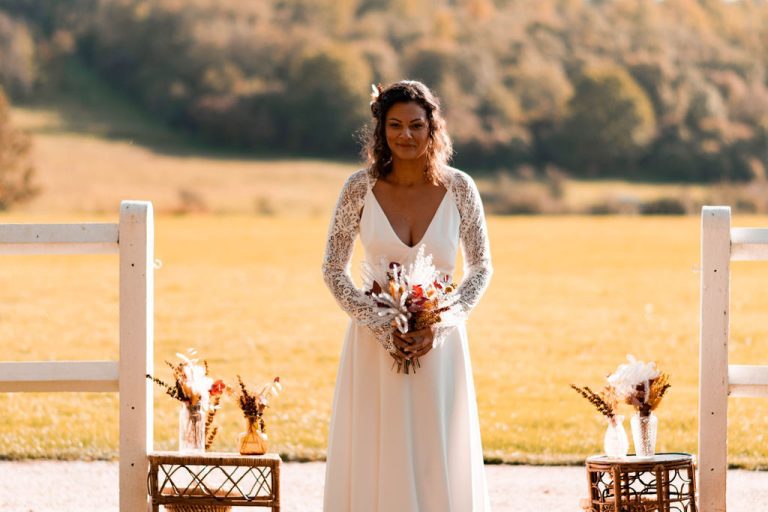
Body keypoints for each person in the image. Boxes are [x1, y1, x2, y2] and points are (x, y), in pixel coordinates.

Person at [321, 80, 493, 511]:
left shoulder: (460, 188)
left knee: (437, 450)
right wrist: (378, 324)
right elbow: (332, 268)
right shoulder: (358, 189)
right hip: (373, 346)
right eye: (395, 125)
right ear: (381, 130)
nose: (406, 135)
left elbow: (481, 267)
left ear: (433, 128)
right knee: (379, 449)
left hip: (440, 344)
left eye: (416, 125)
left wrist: (442, 324)